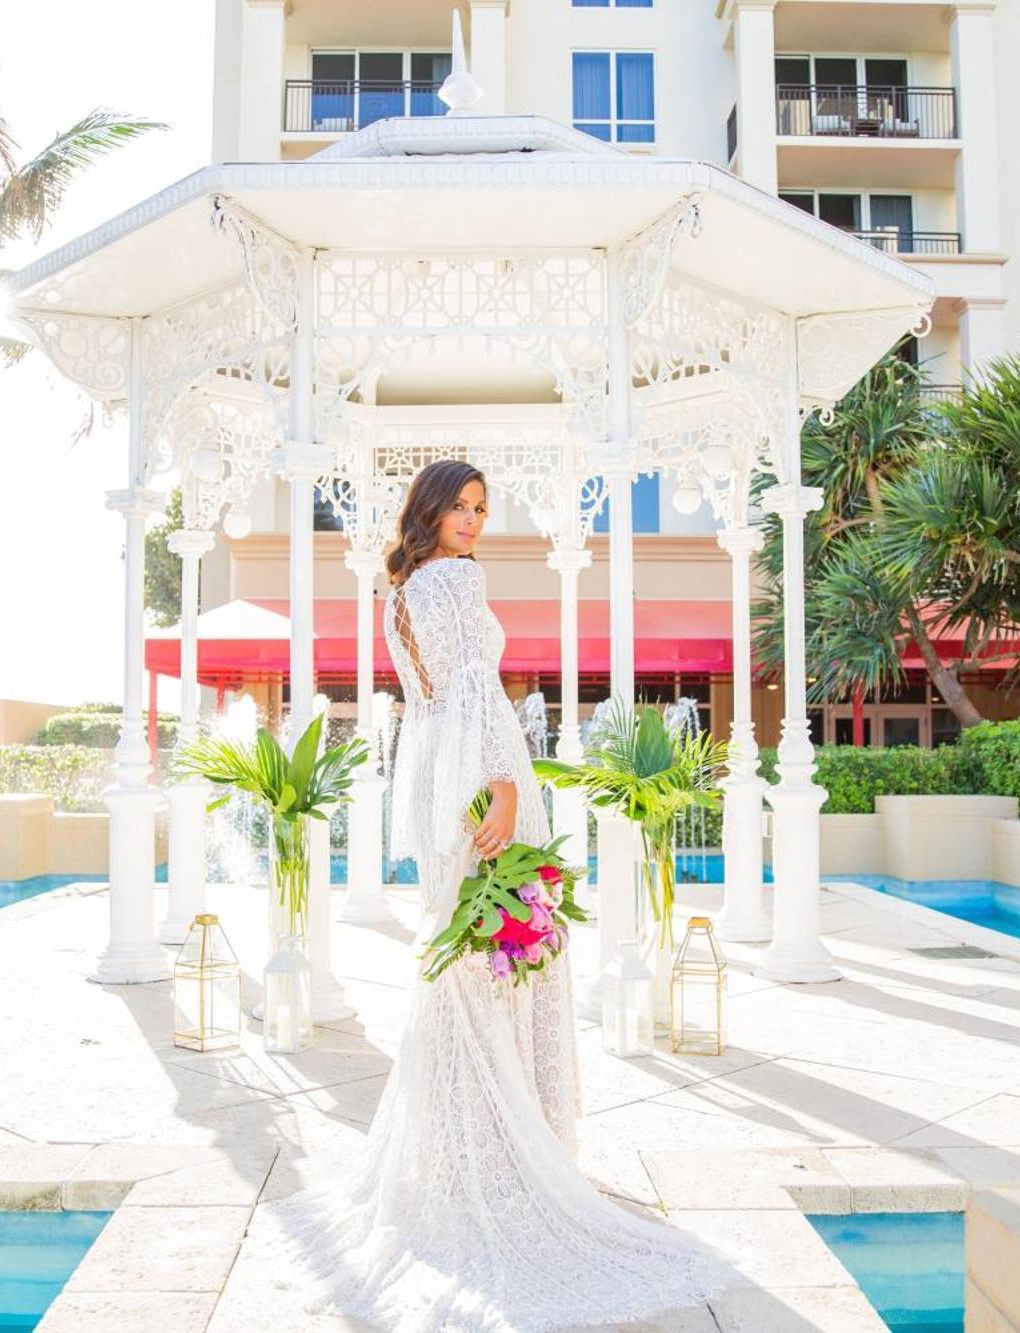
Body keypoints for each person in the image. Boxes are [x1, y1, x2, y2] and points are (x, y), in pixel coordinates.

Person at [245, 459, 739, 1332]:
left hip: (437, 773)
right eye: (461, 507)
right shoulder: (452, 580)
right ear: (430, 510)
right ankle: (507, 1158)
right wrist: (506, 786)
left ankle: (470, 1150)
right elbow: (475, 691)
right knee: (502, 955)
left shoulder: (400, 592)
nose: (473, 520)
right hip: (479, 771)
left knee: (469, 962)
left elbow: (433, 702)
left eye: (481, 509)